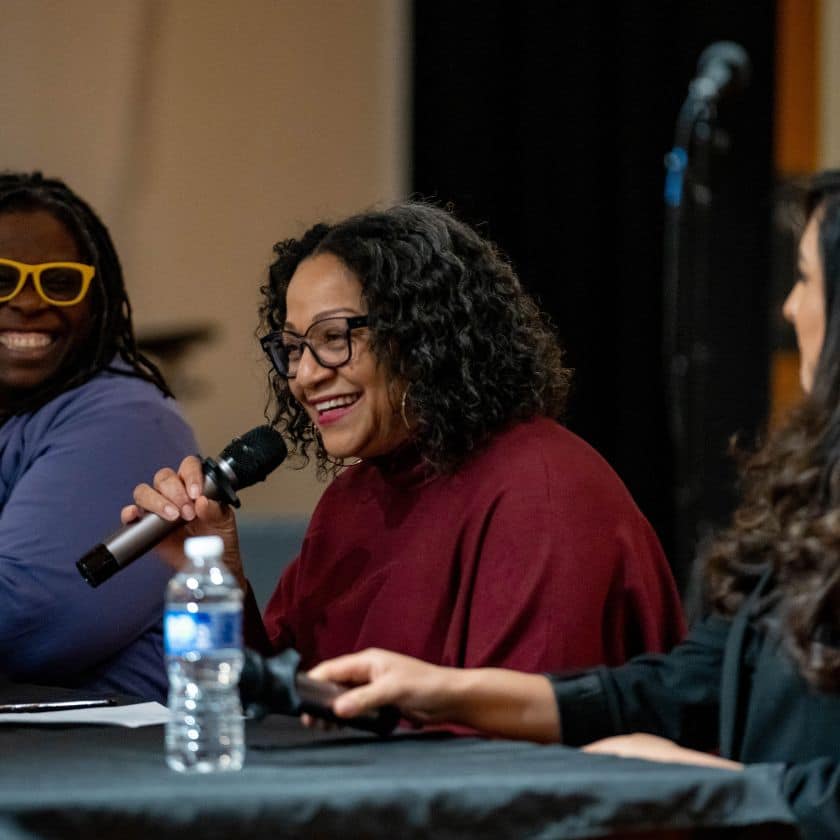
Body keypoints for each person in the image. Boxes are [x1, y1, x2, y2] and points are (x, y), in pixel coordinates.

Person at [305, 172, 840, 838]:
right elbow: (678, 688)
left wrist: (715, 790)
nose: (790, 308)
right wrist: (432, 687)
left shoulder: (543, 490)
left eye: (807, 279)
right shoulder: (814, 492)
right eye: (291, 347)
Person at [126, 202, 684, 676]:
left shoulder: (542, 490)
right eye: (293, 347)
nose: (304, 374)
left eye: (333, 337)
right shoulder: (353, 501)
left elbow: (520, 759)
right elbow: (282, 707)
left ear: (424, 333)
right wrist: (217, 578)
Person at [0, 172, 197, 701]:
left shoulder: (128, 419)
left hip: (127, 766)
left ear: (98, 299)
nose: (27, 301)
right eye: (2, 279)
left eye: (60, 282)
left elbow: (26, 623)